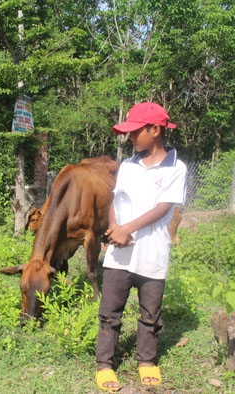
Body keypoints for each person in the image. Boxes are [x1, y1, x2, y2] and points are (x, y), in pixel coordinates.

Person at [94, 102, 188, 391]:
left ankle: (147, 360)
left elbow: (163, 207)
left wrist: (127, 229)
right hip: (120, 253)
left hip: (152, 252)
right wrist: (114, 230)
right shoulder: (128, 166)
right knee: (110, 311)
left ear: (155, 130)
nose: (130, 138)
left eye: (135, 132)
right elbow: (116, 200)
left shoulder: (176, 168)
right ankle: (104, 365)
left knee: (150, 313)